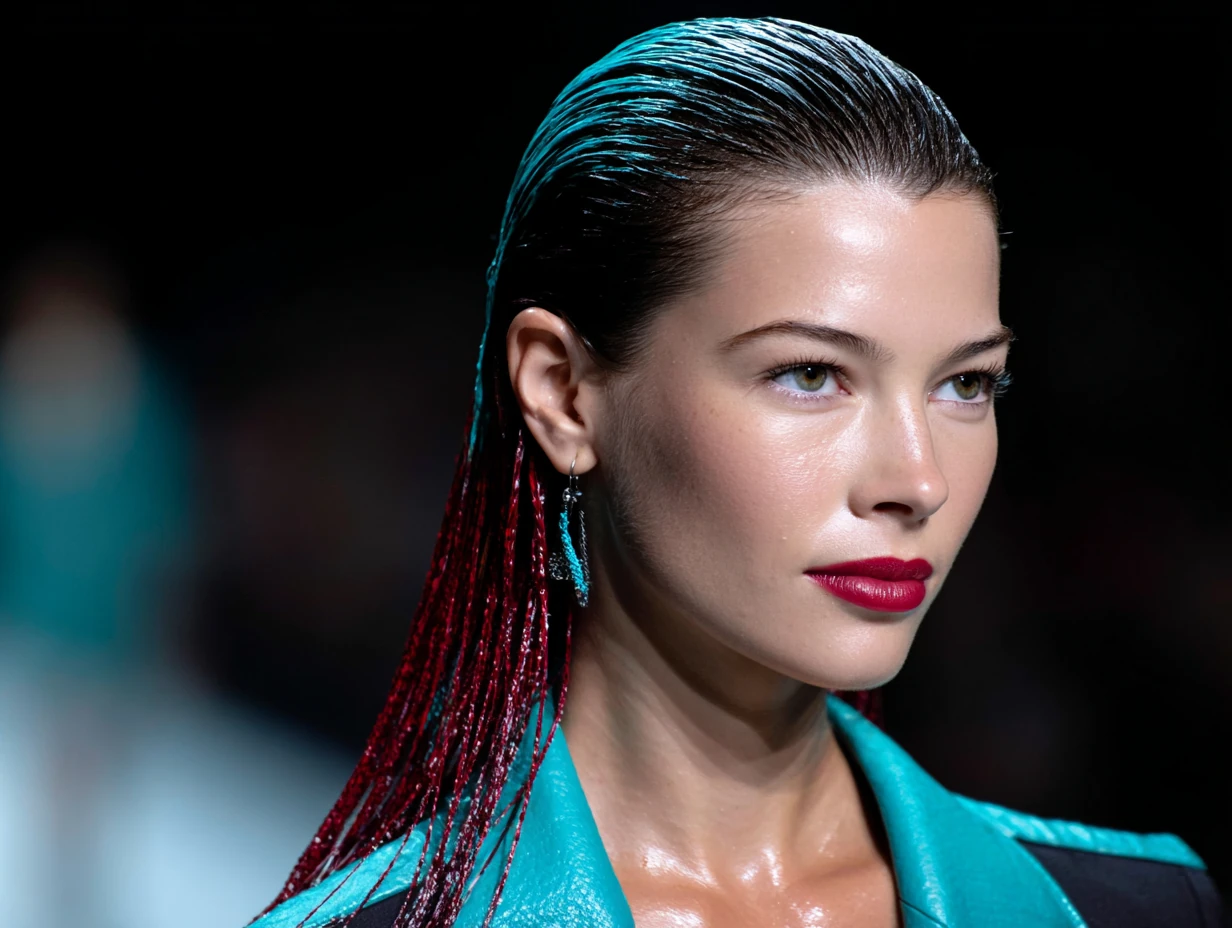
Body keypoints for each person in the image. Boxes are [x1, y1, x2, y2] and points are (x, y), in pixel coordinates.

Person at [248, 17, 1223, 928]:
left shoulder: (1142, 906)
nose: (915, 479)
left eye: (964, 383)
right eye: (810, 374)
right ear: (562, 393)